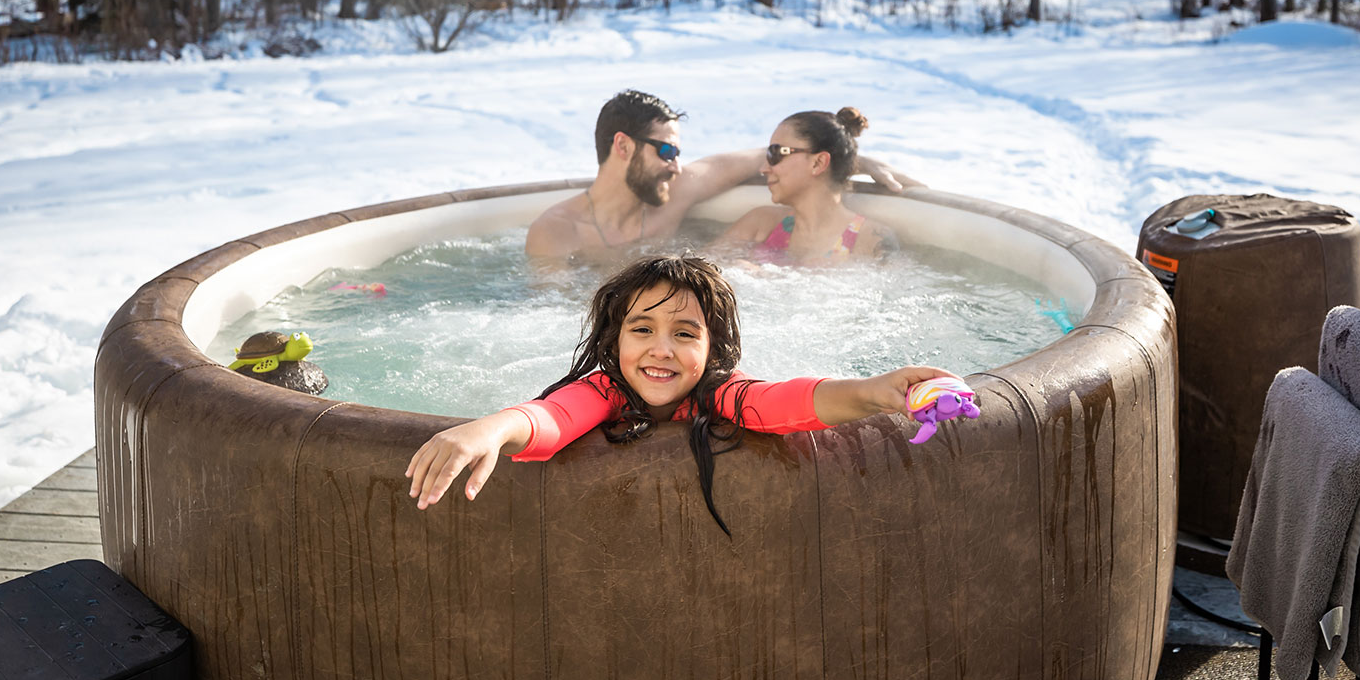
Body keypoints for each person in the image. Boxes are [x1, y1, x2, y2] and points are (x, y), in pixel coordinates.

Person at [404, 255, 957, 534]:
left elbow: (786, 403)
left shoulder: (721, 394)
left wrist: (878, 392)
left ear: (712, 347)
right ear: (613, 341)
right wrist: (491, 429)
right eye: (641, 330)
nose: (660, 350)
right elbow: (553, 417)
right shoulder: (605, 389)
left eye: (684, 333)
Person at [525, 90, 917, 261]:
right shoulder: (557, 232)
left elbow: (748, 160)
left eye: (678, 154)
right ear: (623, 147)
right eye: (666, 151)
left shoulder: (673, 195)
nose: (677, 166)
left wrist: (855, 161)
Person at [714, 107, 897, 263]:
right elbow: (695, 277)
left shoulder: (871, 239)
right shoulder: (760, 223)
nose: (764, 168)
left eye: (775, 153)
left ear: (818, 163)